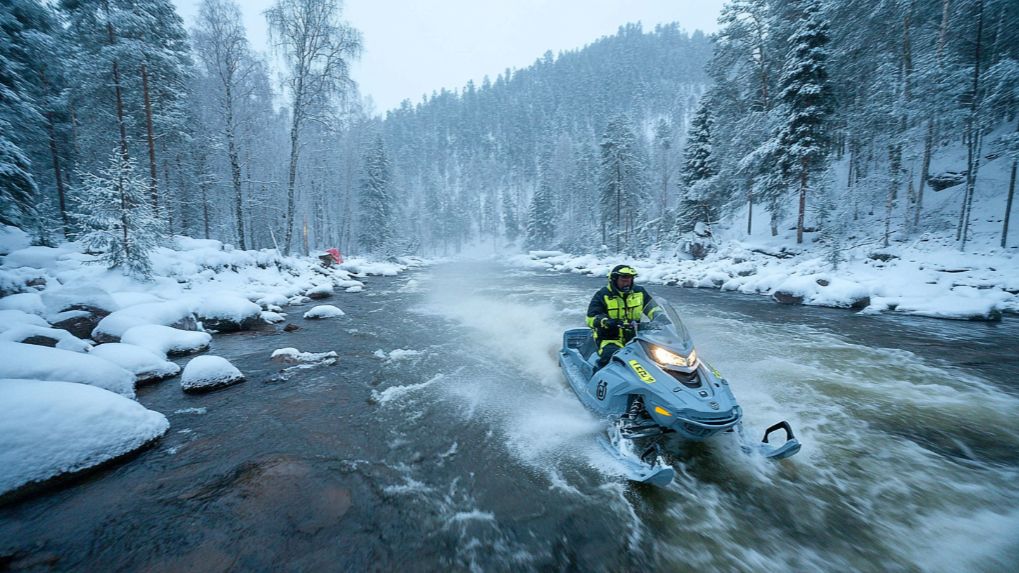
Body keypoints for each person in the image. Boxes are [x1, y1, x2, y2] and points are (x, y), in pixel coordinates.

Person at [586, 264, 661, 370]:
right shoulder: (602, 295)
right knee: (610, 357)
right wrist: (605, 321)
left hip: (636, 338)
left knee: (659, 357)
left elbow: (652, 308)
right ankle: (598, 377)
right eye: (623, 280)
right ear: (614, 280)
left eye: (629, 280)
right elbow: (590, 319)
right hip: (610, 339)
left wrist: (660, 317)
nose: (627, 283)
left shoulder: (639, 292)